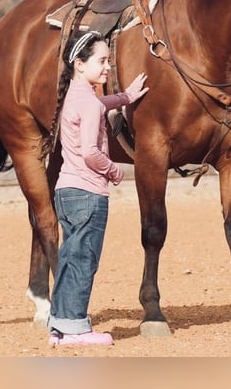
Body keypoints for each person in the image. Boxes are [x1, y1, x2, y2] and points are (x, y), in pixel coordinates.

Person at [46, 30, 148, 346]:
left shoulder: (75, 97)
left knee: (71, 256)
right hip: (88, 193)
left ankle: (60, 324)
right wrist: (115, 171)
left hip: (67, 191)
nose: (107, 67)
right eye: (101, 61)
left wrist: (125, 97)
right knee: (84, 259)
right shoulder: (88, 103)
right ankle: (75, 329)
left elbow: (98, 105)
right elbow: (91, 151)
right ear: (80, 64)